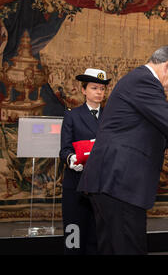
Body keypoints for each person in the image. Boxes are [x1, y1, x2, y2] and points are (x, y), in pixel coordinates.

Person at [77, 44, 168, 254]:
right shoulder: (143, 81)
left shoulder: (139, 82)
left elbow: (158, 136)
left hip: (112, 183)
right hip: (118, 183)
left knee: (114, 248)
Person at [59, 68, 111, 254]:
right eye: (94, 87)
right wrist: (71, 159)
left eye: (102, 89)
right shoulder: (72, 116)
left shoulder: (111, 117)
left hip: (102, 185)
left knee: (98, 235)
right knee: (74, 232)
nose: (99, 92)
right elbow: (64, 149)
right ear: (83, 90)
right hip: (77, 184)